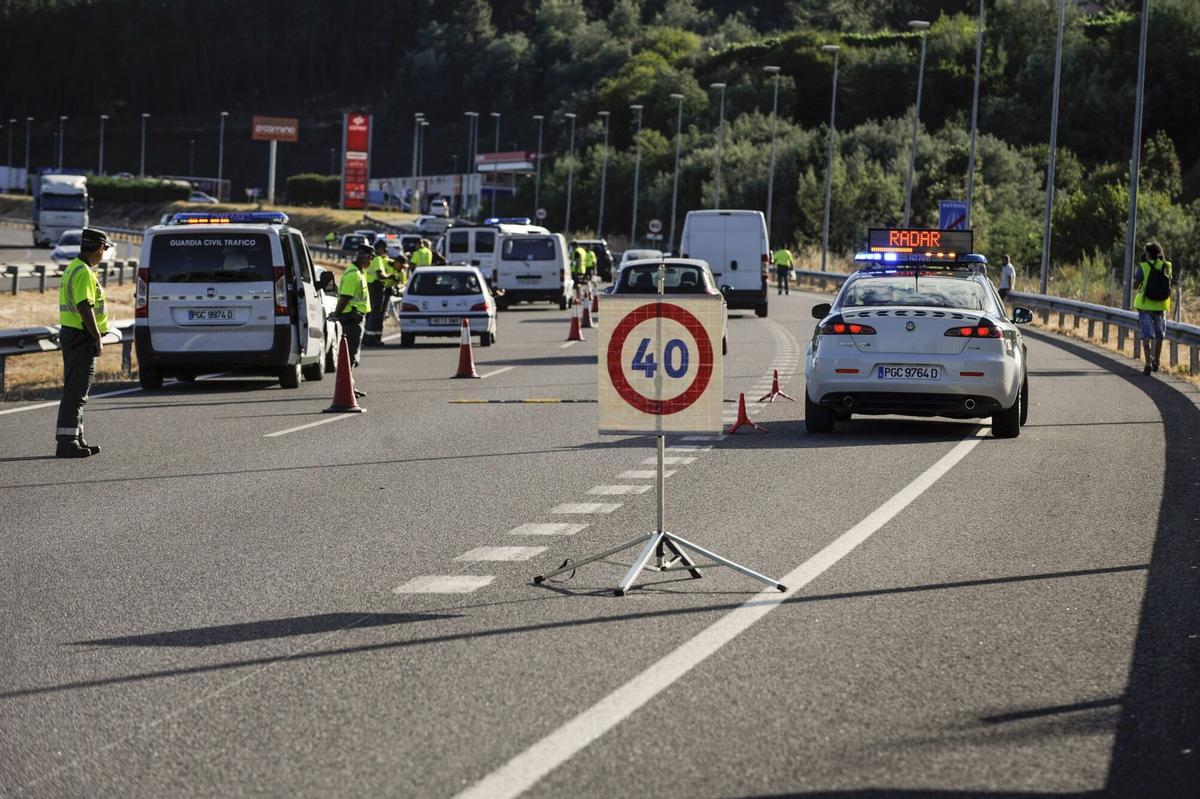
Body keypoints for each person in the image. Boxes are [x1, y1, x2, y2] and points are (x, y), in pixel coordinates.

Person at [55, 228, 112, 458]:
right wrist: (97, 336)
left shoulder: (74, 267)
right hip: (81, 336)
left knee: (76, 391)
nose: (103, 254)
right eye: (104, 249)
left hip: (73, 334)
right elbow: (84, 306)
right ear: (99, 248)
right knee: (77, 393)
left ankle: (76, 438)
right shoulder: (84, 272)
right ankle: (67, 443)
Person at [332, 244, 373, 395]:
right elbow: (345, 297)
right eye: (371, 259)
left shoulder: (359, 272)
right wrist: (337, 313)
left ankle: (349, 387)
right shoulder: (353, 274)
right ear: (366, 258)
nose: (371, 262)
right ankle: (346, 388)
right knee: (350, 356)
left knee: (352, 356)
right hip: (352, 319)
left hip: (355, 318)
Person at [1133, 241, 1173, 375]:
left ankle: (1148, 363)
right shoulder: (1167, 265)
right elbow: (1169, 281)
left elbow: (1136, 284)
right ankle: (1156, 362)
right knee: (1159, 335)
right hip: (1161, 306)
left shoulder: (1143, 266)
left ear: (1148, 253)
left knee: (1146, 335)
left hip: (1145, 305)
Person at [363, 239, 392, 347]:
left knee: (369, 313)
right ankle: (372, 339)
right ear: (379, 248)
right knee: (375, 314)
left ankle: (367, 338)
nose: (384, 252)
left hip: (368, 286)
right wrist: (390, 276)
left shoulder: (369, 258)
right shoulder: (377, 259)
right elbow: (380, 275)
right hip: (376, 287)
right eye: (383, 250)